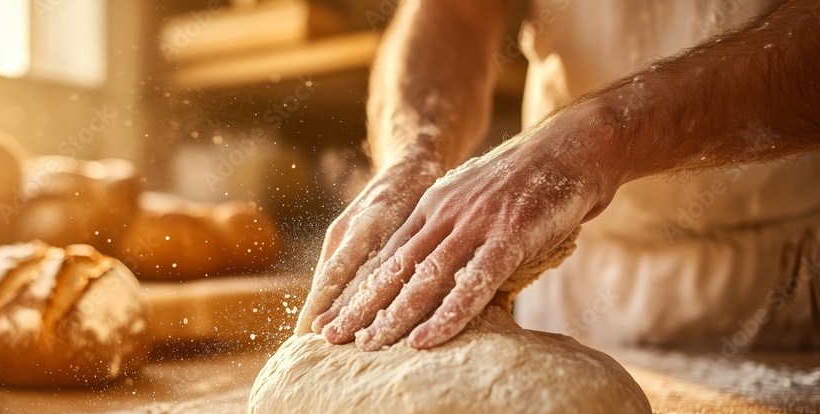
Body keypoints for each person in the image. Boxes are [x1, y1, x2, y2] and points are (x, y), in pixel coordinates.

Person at [295, 0, 820, 352]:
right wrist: (414, 150)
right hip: (569, 270)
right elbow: (452, 13)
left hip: (783, 282)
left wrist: (599, 137)